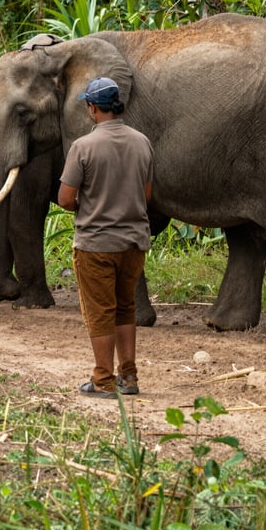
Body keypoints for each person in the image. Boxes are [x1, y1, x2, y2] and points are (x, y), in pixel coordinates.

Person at [57, 77, 154, 398]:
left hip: (96, 245)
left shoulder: (82, 147)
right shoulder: (142, 142)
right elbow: (147, 194)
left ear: (92, 108)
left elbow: (65, 199)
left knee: (101, 312)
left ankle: (103, 380)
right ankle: (129, 377)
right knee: (126, 308)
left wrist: (93, 204)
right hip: (134, 243)